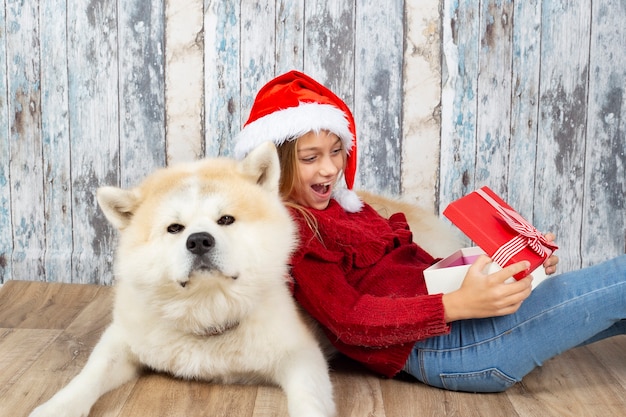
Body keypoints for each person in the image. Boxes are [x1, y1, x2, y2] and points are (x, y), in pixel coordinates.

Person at [234, 70, 626, 392]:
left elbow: (418, 272)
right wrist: (457, 305)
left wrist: (514, 267)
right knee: (616, 280)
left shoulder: (346, 209)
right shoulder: (297, 230)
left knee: (603, 298)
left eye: (336, 151)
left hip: (462, 327)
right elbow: (349, 320)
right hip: (449, 351)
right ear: (279, 164)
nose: (329, 168)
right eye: (310, 158)